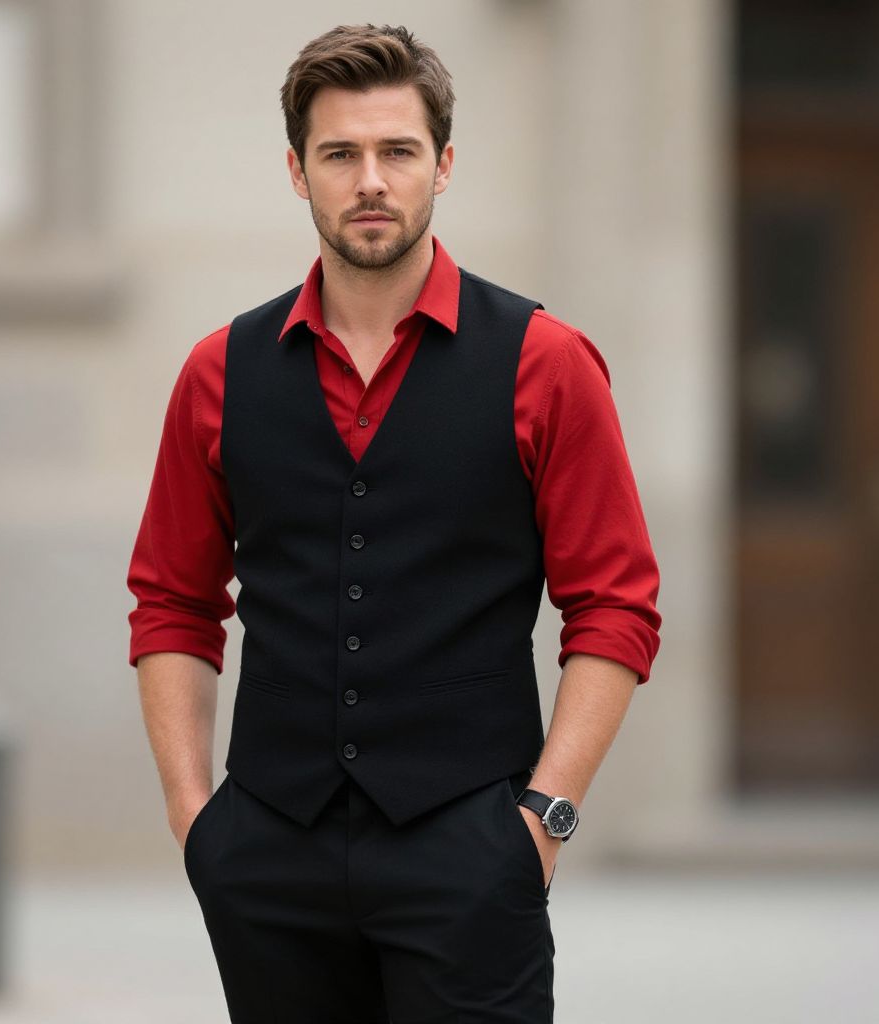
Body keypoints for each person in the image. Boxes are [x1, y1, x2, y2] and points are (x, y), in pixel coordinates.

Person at [126, 22, 662, 1023]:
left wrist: (539, 823)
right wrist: (195, 815)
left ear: (443, 165)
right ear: (297, 172)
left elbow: (616, 606)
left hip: (470, 853)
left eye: (396, 151)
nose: (369, 180)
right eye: (339, 154)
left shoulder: (544, 362)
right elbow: (170, 600)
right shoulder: (219, 372)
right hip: (269, 858)